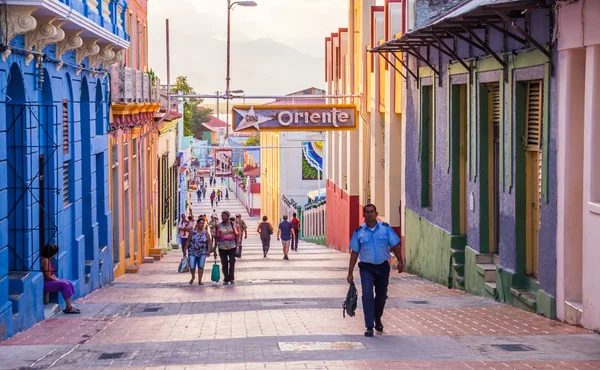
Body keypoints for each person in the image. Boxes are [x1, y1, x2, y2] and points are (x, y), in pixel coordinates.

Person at [347, 204, 403, 338]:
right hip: (366, 268)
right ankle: (369, 326)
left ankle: (377, 318)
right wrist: (350, 272)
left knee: (381, 296)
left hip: (383, 267)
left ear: (376, 213)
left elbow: (395, 245)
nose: (370, 214)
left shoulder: (385, 229)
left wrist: (400, 261)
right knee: (367, 295)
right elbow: (354, 252)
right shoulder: (359, 232)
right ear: (364, 215)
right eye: (367, 212)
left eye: (372, 211)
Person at [40, 244, 79, 314]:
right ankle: (69, 307)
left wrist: (58, 279)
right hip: (45, 283)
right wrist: (58, 280)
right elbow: (48, 276)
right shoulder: (45, 260)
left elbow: (51, 274)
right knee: (65, 285)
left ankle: (69, 306)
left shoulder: (48, 260)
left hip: (49, 281)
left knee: (68, 282)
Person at [213, 211, 239, 285]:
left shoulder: (232, 224)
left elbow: (237, 235)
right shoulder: (219, 225)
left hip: (232, 246)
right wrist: (214, 250)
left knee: (232, 262)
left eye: (225, 216)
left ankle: (231, 278)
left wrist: (237, 246)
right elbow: (216, 238)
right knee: (224, 263)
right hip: (222, 247)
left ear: (228, 217)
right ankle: (226, 278)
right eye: (222, 216)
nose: (223, 217)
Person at [184, 218, 211, 285]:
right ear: (197, 224)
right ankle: (193, 277)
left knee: (201, 266)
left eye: (203, 223)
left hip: (202, 252)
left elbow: (209, 242)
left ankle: (200, 280)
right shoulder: (192, 232)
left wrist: (208, 251)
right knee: (192, 266)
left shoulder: (205, 233)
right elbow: (188, 241)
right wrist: (185, 250)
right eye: (200, 223)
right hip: (192, 252)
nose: (202, 224)